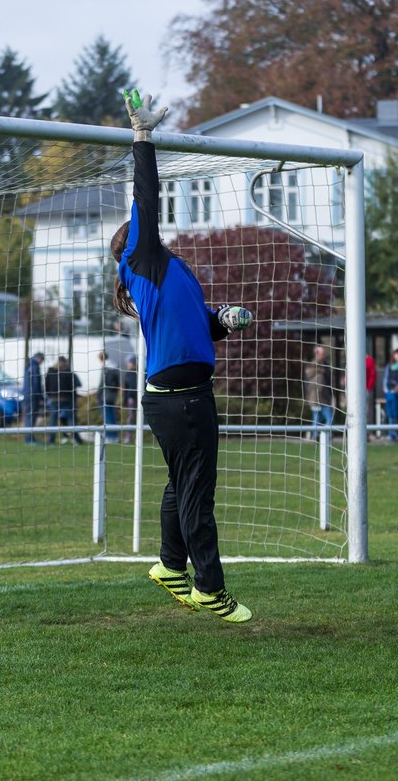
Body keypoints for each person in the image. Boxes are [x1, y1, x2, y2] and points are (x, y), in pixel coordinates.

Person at [113, 88, 254, 624]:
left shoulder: (176, 272)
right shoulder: (140, 257)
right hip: (182, 402)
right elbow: (145, 197)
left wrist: (224, 321)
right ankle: (209, 588)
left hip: (185, 395)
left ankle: (172, 567)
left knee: (183, 484)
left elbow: (198, 332)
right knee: (198, 494)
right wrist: (142, 137)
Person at [45, 355, 83, 445]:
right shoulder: (69, 373)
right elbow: (74, 386)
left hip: (54, 399)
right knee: (71, 420)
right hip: (67, 399)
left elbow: (46, 386)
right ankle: (76, 439)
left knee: (53, 420)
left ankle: (51, 440)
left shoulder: (50, 373)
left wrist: (49, 395)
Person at [305, 345, 335, 437]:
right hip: (316, 399)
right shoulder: (313, 366)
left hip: (325, 399)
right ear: (317, 353)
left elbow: (328, 382)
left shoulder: (325, 366)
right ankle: (317, 436)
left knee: (324, 417)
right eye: (322, 353)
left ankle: (323, 436)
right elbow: (310, 382)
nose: (324, 355)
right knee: (320, 418)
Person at [96, 351, 121, 443]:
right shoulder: (115, 366)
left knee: (107, 417)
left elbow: (101, 383)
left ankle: (110, 437)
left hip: (105, 396)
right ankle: (115, 436)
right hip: (113, 395)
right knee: (112, 417)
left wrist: (97, 395)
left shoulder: (105, 368)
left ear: (101, 359)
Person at [22, 352, 46, 445]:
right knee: (31, 417)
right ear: (39, 359)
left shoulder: (28, 365)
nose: (42, 363)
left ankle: (29, 438)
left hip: (27, 394)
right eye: (42, 360)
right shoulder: (35, 367)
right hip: (33, 395)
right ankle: (29, 439)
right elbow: (36, 383)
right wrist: (40, 397)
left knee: (29, 416)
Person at [121, 355, 139, 444]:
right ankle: (128, 437)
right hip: (131, 399)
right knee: (131, 418)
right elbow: (126, 388)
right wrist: (125, 400)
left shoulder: (141, 372)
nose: (127, 364)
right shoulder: (128, 374)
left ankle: (139, 437)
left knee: (141, 418)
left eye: (128, 362)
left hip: (140, 399)